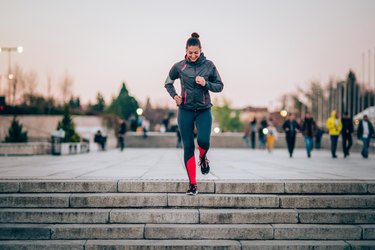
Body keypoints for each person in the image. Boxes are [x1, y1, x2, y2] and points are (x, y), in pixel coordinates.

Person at [164, 32, 224, 195]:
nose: (193, 56)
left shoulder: (209, 65)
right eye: (190, 53)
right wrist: (175, 96)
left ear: (200, 50)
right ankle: (192, 184)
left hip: (204, 109)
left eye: (196, 53)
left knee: (204, 140)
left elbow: (220, 86)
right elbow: (168, 83)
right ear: (186, 50)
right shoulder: (179, 66)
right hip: (185, 110)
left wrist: (206, 83)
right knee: (188, 147)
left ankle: (203, 159)